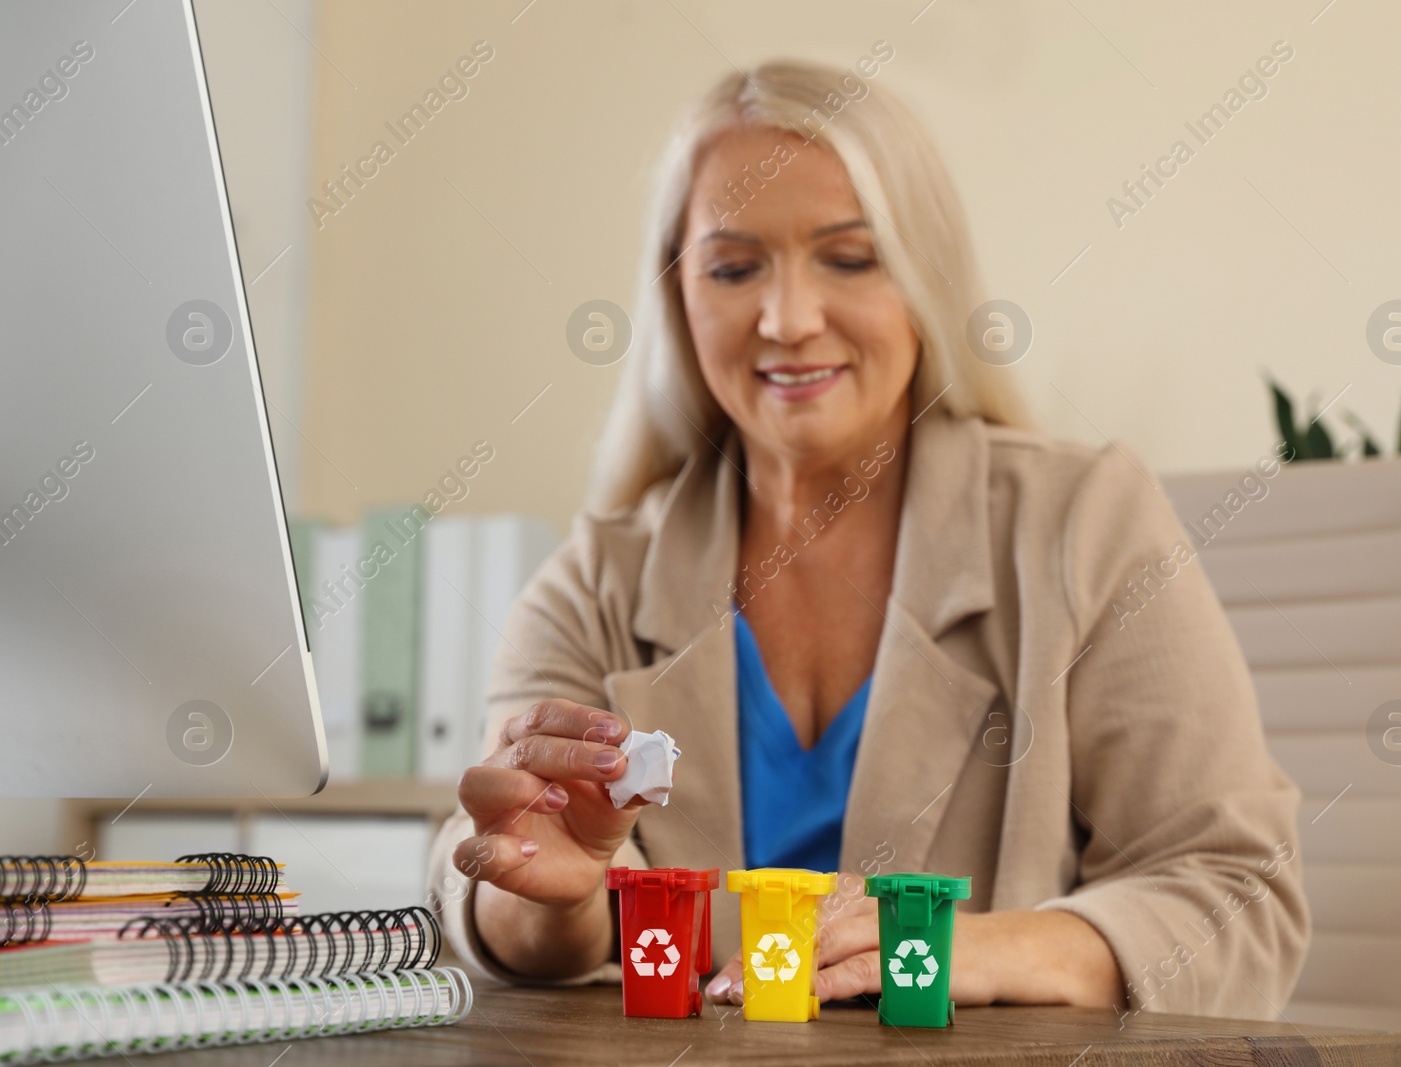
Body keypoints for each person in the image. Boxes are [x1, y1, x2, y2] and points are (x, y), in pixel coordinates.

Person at [426, 57, 1308, 1018]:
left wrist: (983, 950)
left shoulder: (1084, 524)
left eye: (848, 258)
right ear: (679, 298)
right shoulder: (592, 584)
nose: (790, 319)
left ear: (924, 279)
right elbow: (519, 895)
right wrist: (553, 892)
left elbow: (1238, 894)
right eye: (732, 267)